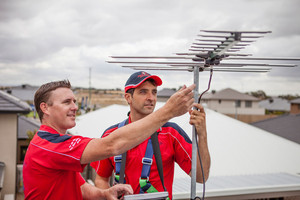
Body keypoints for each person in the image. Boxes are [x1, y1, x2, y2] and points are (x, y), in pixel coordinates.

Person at [23, 79, 195, 200]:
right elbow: (111, 145)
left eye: (74, 101)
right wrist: (168, 112)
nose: (75, 107)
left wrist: (105, 194)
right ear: (45, 108)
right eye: (67, 102)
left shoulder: (59, 142)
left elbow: (81, 188)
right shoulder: (47, 146)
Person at [91, 71, 211, 199]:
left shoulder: (171, 133)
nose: (151, 97)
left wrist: (202, 134)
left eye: (154, 92)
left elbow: (201, 176)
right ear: (128, 97)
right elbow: (101, 179)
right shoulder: (111, 135)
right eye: (143, 92)